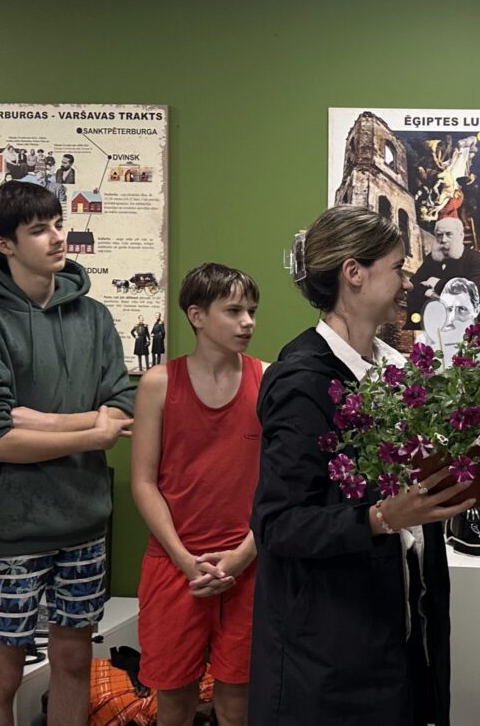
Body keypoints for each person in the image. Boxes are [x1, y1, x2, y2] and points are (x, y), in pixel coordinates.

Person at [249, 205, 480, 725]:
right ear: (354, 273)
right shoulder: (302, 382)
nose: (407, 282)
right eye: (397, 268)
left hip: (402, 638)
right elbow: (278, 524)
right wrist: (380, 518)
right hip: (330, 660)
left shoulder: (392, 369)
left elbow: (459, 475)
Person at [0, 180, 135, 726]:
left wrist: (41, 420)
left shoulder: (94, 317)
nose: (57, 237)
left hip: (84, 520)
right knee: (3, 668)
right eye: (39, 230)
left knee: (74, 661)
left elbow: (121, 404)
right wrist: (90, 432)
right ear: (4, 244)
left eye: (57, 224)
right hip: (12, 526)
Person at [131, 264, 267, 726]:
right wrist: (185, 559)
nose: (247, 322)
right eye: (233, 311)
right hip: (174, 566)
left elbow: (281, 486)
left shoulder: (267, 380)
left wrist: (243, 556)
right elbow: (144, 482)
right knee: (173, 704)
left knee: (238, 704)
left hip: (248, 565)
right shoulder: (159, 384)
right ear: (197, 315)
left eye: (251, 311)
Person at [404, 215, 480, 330]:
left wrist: (436, 283)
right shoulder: (432, 258)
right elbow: (414, 283)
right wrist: (429, 293)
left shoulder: (475, 259)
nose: (443, 240)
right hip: (434, 320)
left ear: (461, 236)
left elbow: (470, 291)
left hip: (464, 324)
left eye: (449, 234)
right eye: (439, 235)